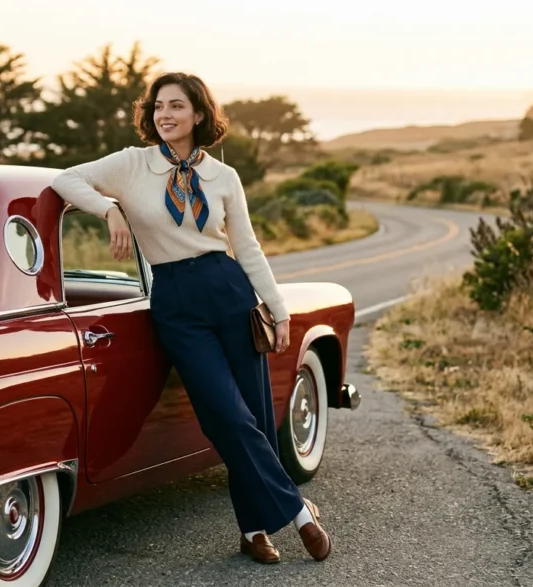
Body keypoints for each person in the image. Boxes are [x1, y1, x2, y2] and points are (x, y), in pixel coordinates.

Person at [50, 72, 331, 564]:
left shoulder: (224, 176)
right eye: (158, 106)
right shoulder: (132, 164)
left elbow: (245, 245)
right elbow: (64, 179)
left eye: (177, 106)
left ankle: (254, 530)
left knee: (257, 416)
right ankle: (299, 511)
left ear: (199, 114)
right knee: (225, 413)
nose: (165, 115)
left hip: (230, 291)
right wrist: (110, 208)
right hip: (176, 301)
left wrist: (276, 307)